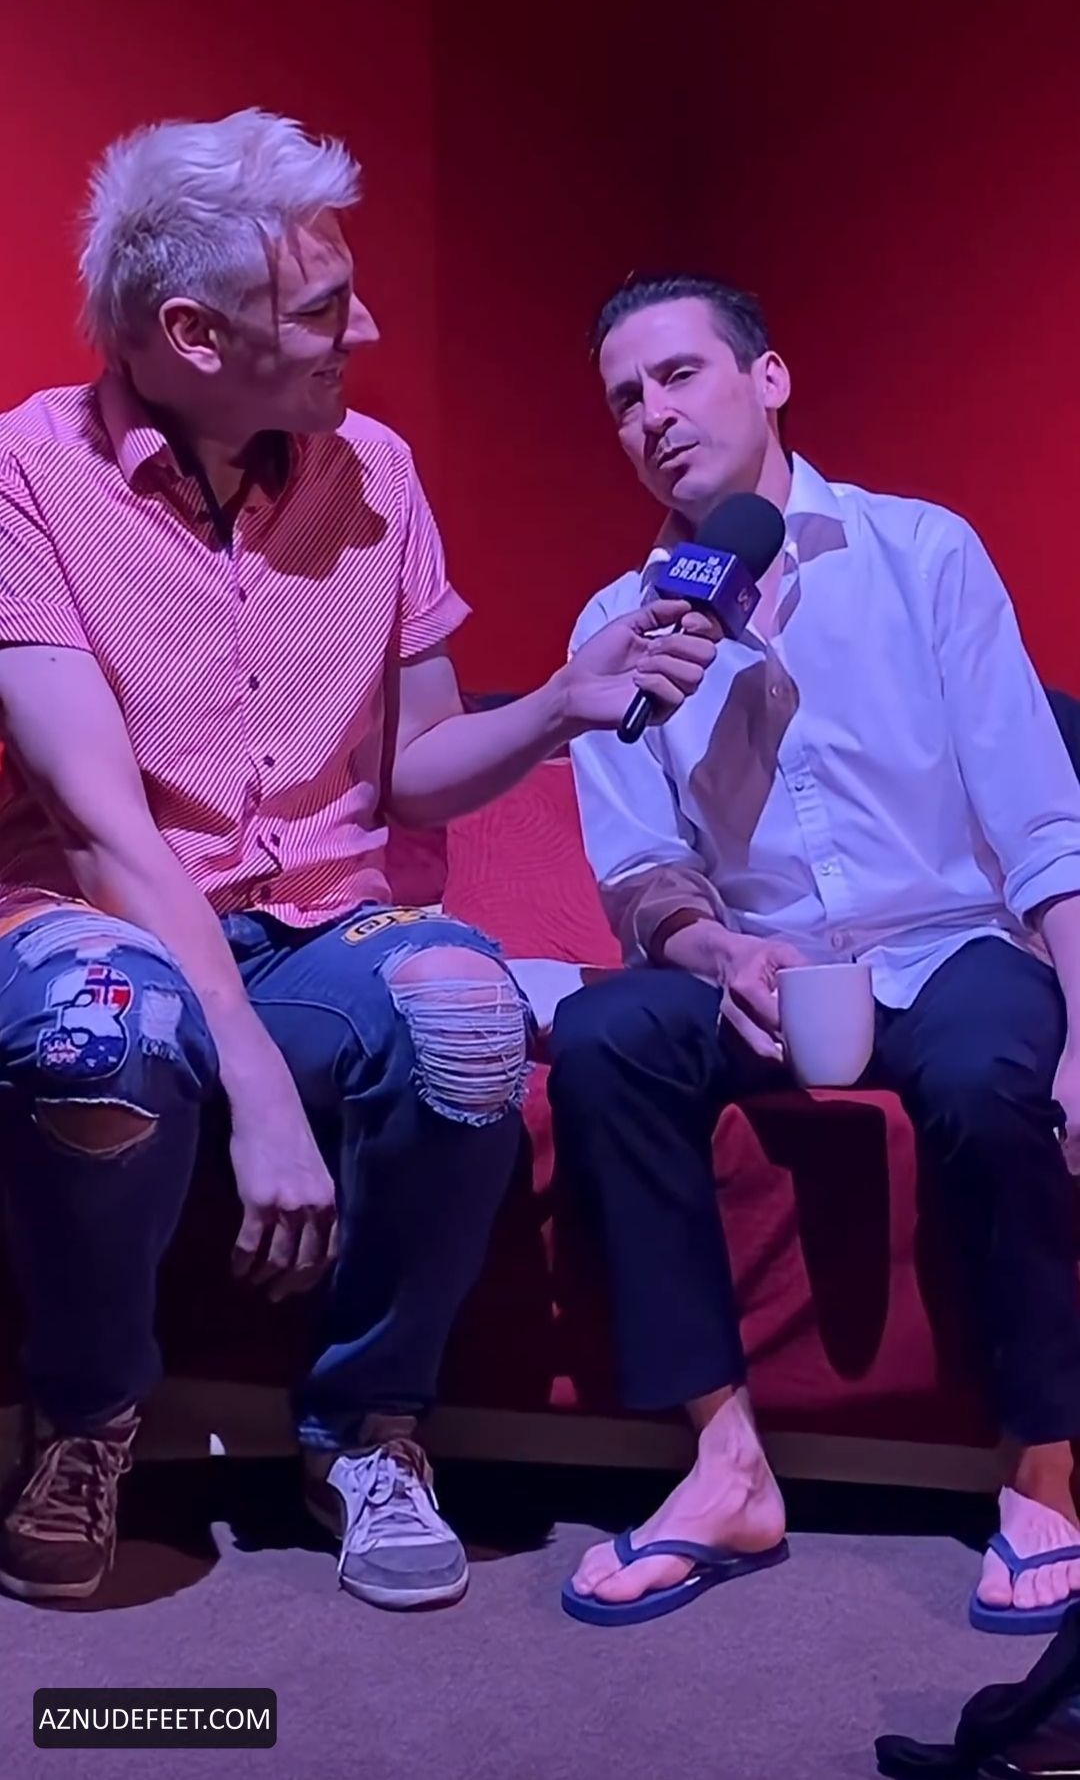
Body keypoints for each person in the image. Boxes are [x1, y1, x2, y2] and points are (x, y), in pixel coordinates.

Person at [0, 122, 721, 1612]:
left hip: (320, 923)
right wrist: (257, 1081)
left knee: (465, 1009)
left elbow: (414, 767)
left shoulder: (374, 471)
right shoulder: (24, 476)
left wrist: (561, 703)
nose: (367, 327)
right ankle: (82, 1417)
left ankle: (366, 1423)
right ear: (194, 336)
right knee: (98, 1027)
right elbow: (102, 831)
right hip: (101, 916)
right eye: (325, 305)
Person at [547, 271, 1080, 1631]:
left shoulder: (921, 552)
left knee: (988, 1074)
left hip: (945, 943)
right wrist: (717, 950)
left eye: (678, 375)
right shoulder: (622, 625)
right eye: (624, 399)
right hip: (758, 969)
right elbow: (641, 874)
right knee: (605, 1039)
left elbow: (1038, 819)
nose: (652, 417)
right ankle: (725, 1462)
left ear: (768, 378)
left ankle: (1045, 1466)